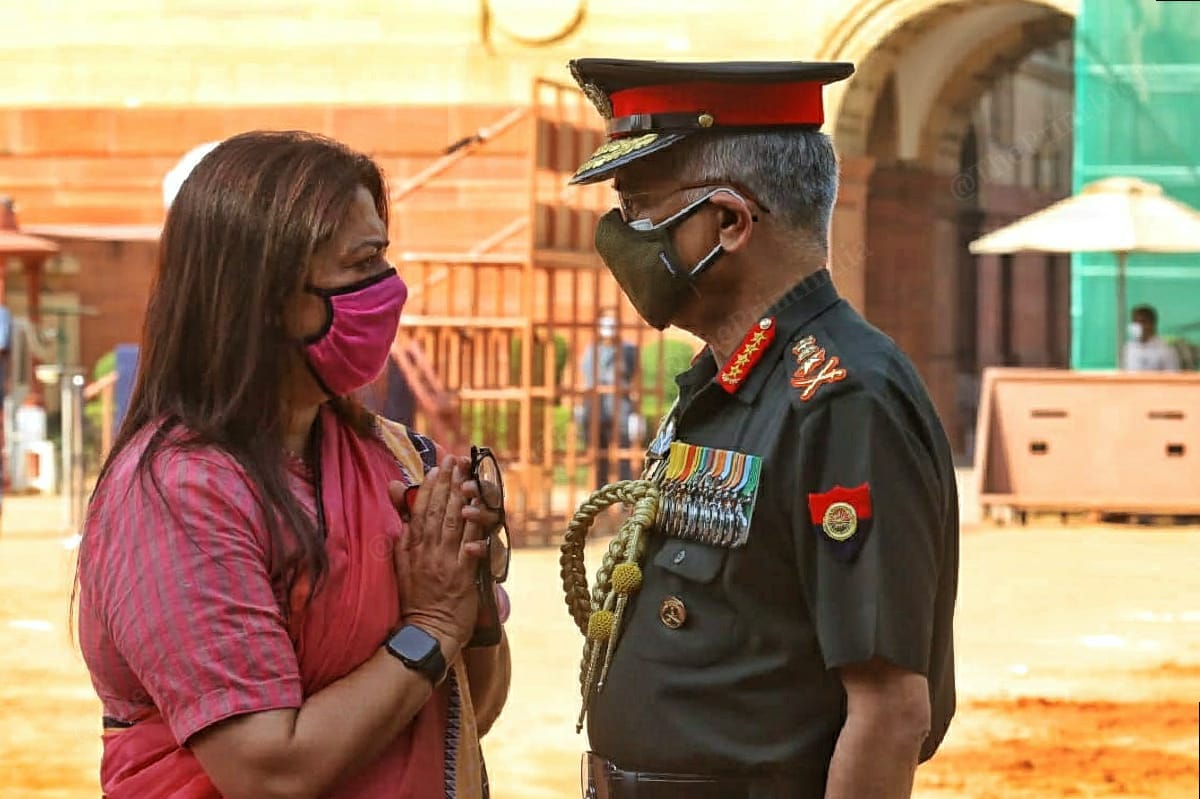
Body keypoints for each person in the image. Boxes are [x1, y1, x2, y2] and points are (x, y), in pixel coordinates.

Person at [564, 59, 960, 798]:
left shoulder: (842, 398)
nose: (621, 236)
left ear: (731, 222)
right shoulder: (727, 382)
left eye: (642, 208)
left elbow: (889, 710)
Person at [75, 131, 511, 799]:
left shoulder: (394, 458)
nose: (387, 292)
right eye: (361, 266)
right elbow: (267, 769)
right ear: (268, 295)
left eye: (383, 260)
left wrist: (468, 588)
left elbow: (467, 707)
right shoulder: (179, 495)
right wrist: (431, 627)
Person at [577, 309, 639, 486]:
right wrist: (581, 409)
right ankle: (599, 495)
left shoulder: (629, 350)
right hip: (595, 408)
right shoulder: (591, 351)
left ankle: (625, 498)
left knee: (623, 456)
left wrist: (635, 412)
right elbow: (586, 380)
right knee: (598, 456)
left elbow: (635, 381)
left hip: (620, 408)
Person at [1121, 304, 1180, 372]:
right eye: (1134, 321)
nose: (1136, 325)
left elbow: (1172, 377)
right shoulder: (1128, 348)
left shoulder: (1165, 349)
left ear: (1152, 324)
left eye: (1141, 321)